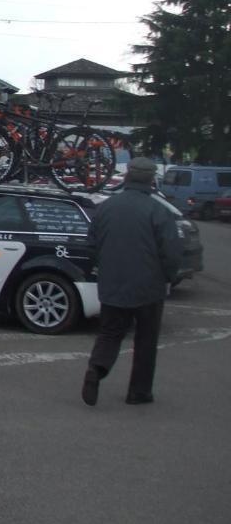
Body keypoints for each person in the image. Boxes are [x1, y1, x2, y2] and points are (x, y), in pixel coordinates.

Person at [81, 157, 183, 406]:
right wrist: (170, 276)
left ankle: (97, 368)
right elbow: (171, 250)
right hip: (149, 286)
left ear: (127, 177)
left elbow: (91, 244)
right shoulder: (159, 210)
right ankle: (139, 392)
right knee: (146, 340)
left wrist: (102, 268)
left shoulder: (106, 207)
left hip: (112, 283)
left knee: (110, 332)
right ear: (151, 180)